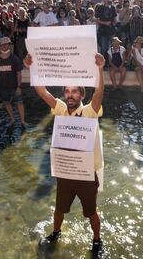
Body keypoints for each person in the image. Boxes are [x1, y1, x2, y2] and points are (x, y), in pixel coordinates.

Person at [23, 52, 105, 257]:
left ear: (81, 95)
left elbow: (99, 93)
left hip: (86, 174)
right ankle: (56, 232)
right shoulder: (60, 109)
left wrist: (100, 69)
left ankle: (97, 240)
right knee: (59, 209)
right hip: (66, 171)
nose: (70, 95)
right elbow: (42, 92)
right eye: (67, 91)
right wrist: (31, 68)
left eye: (74, 92)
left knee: (91, 212)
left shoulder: (89, 112)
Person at [0, 37, 26, 128]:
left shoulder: (15, 59)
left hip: (14, 87)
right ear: (0, 46)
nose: (4, 46)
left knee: (20, 103)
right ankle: (12, 119)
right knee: (6, 103)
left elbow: (19, 74)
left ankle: (22, 121)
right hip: (2, 87)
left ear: (9, 45)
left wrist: (19, 86)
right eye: (2, 44)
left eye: (6, 44)